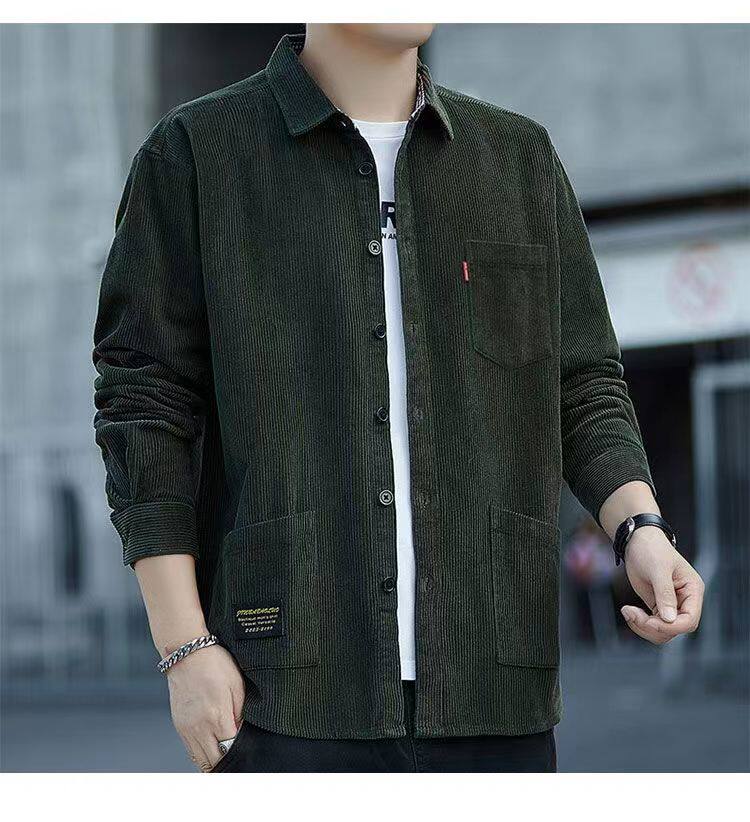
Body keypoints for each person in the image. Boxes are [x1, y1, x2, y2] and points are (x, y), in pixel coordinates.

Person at [92, 23, 705, 773]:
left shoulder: (518, 160)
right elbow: (143, 402)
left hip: (494, 683)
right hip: (281, 685)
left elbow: (579, 380)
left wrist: (640, 527)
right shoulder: (196, 155)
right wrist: (183, 646)